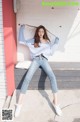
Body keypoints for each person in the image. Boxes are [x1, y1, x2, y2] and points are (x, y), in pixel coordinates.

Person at [14, 25, 62, 117]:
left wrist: (56, 42)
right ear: (37, 32)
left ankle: (56, 103)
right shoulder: (33, 41)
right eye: (39, 31)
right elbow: (21, 41)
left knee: (52, 77)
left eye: (42, 32)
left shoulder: (47, 42)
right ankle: (19, 105)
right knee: (27, 78)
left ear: (44, 33)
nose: (41, 33)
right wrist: (22, 28)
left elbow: (51, 52)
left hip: (44, 60)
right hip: (36, 60)